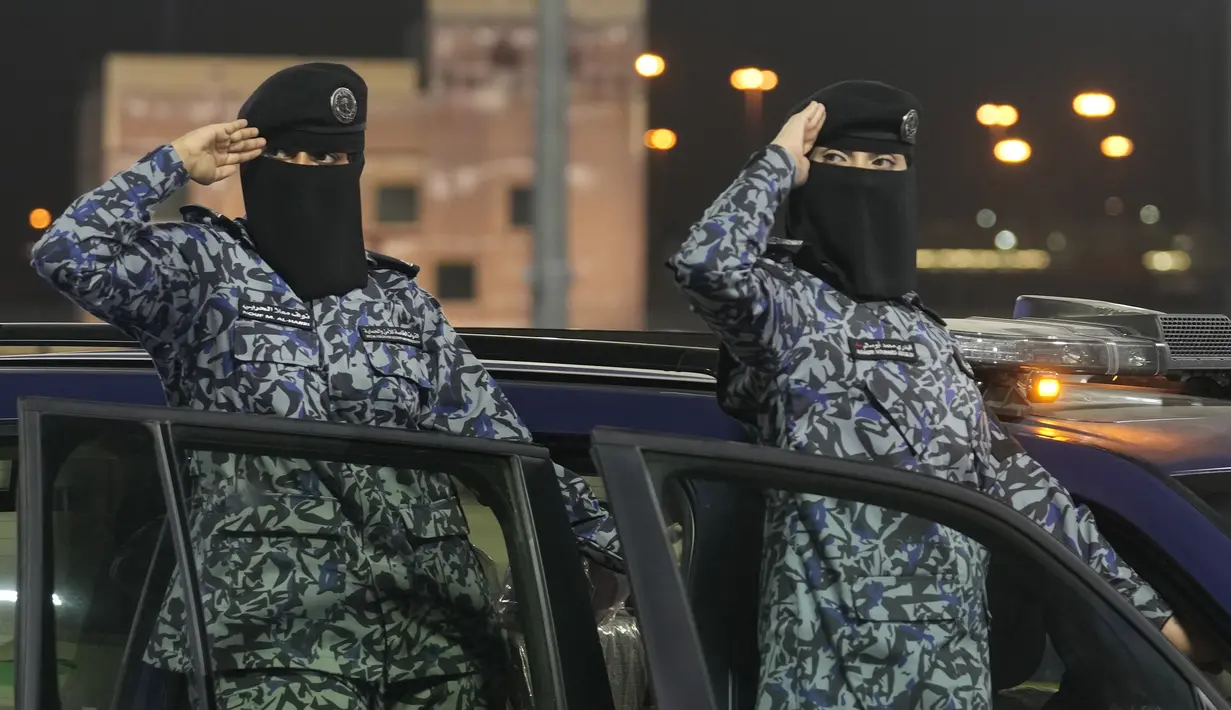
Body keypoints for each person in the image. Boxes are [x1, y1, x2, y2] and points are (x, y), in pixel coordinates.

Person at [31, 62, 622, 710]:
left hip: (437, 637)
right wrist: (172, 162)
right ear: (259, 161)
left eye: (341, 156)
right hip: (276, 637)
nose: (322, 171)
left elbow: (503, 447)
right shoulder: (204, 274)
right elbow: (69, 253)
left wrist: (636, 553)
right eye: (302, 154)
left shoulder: (401, 302)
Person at [667, 80, 1210, 708]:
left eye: (883, 164)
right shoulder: (785, 310)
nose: (862, 181)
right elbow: (707, 266)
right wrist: (779, 161)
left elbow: (1022, 491)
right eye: (836, 161)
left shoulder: (924, 331)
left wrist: (1155, 619)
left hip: (952, 676)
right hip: (829, 677)